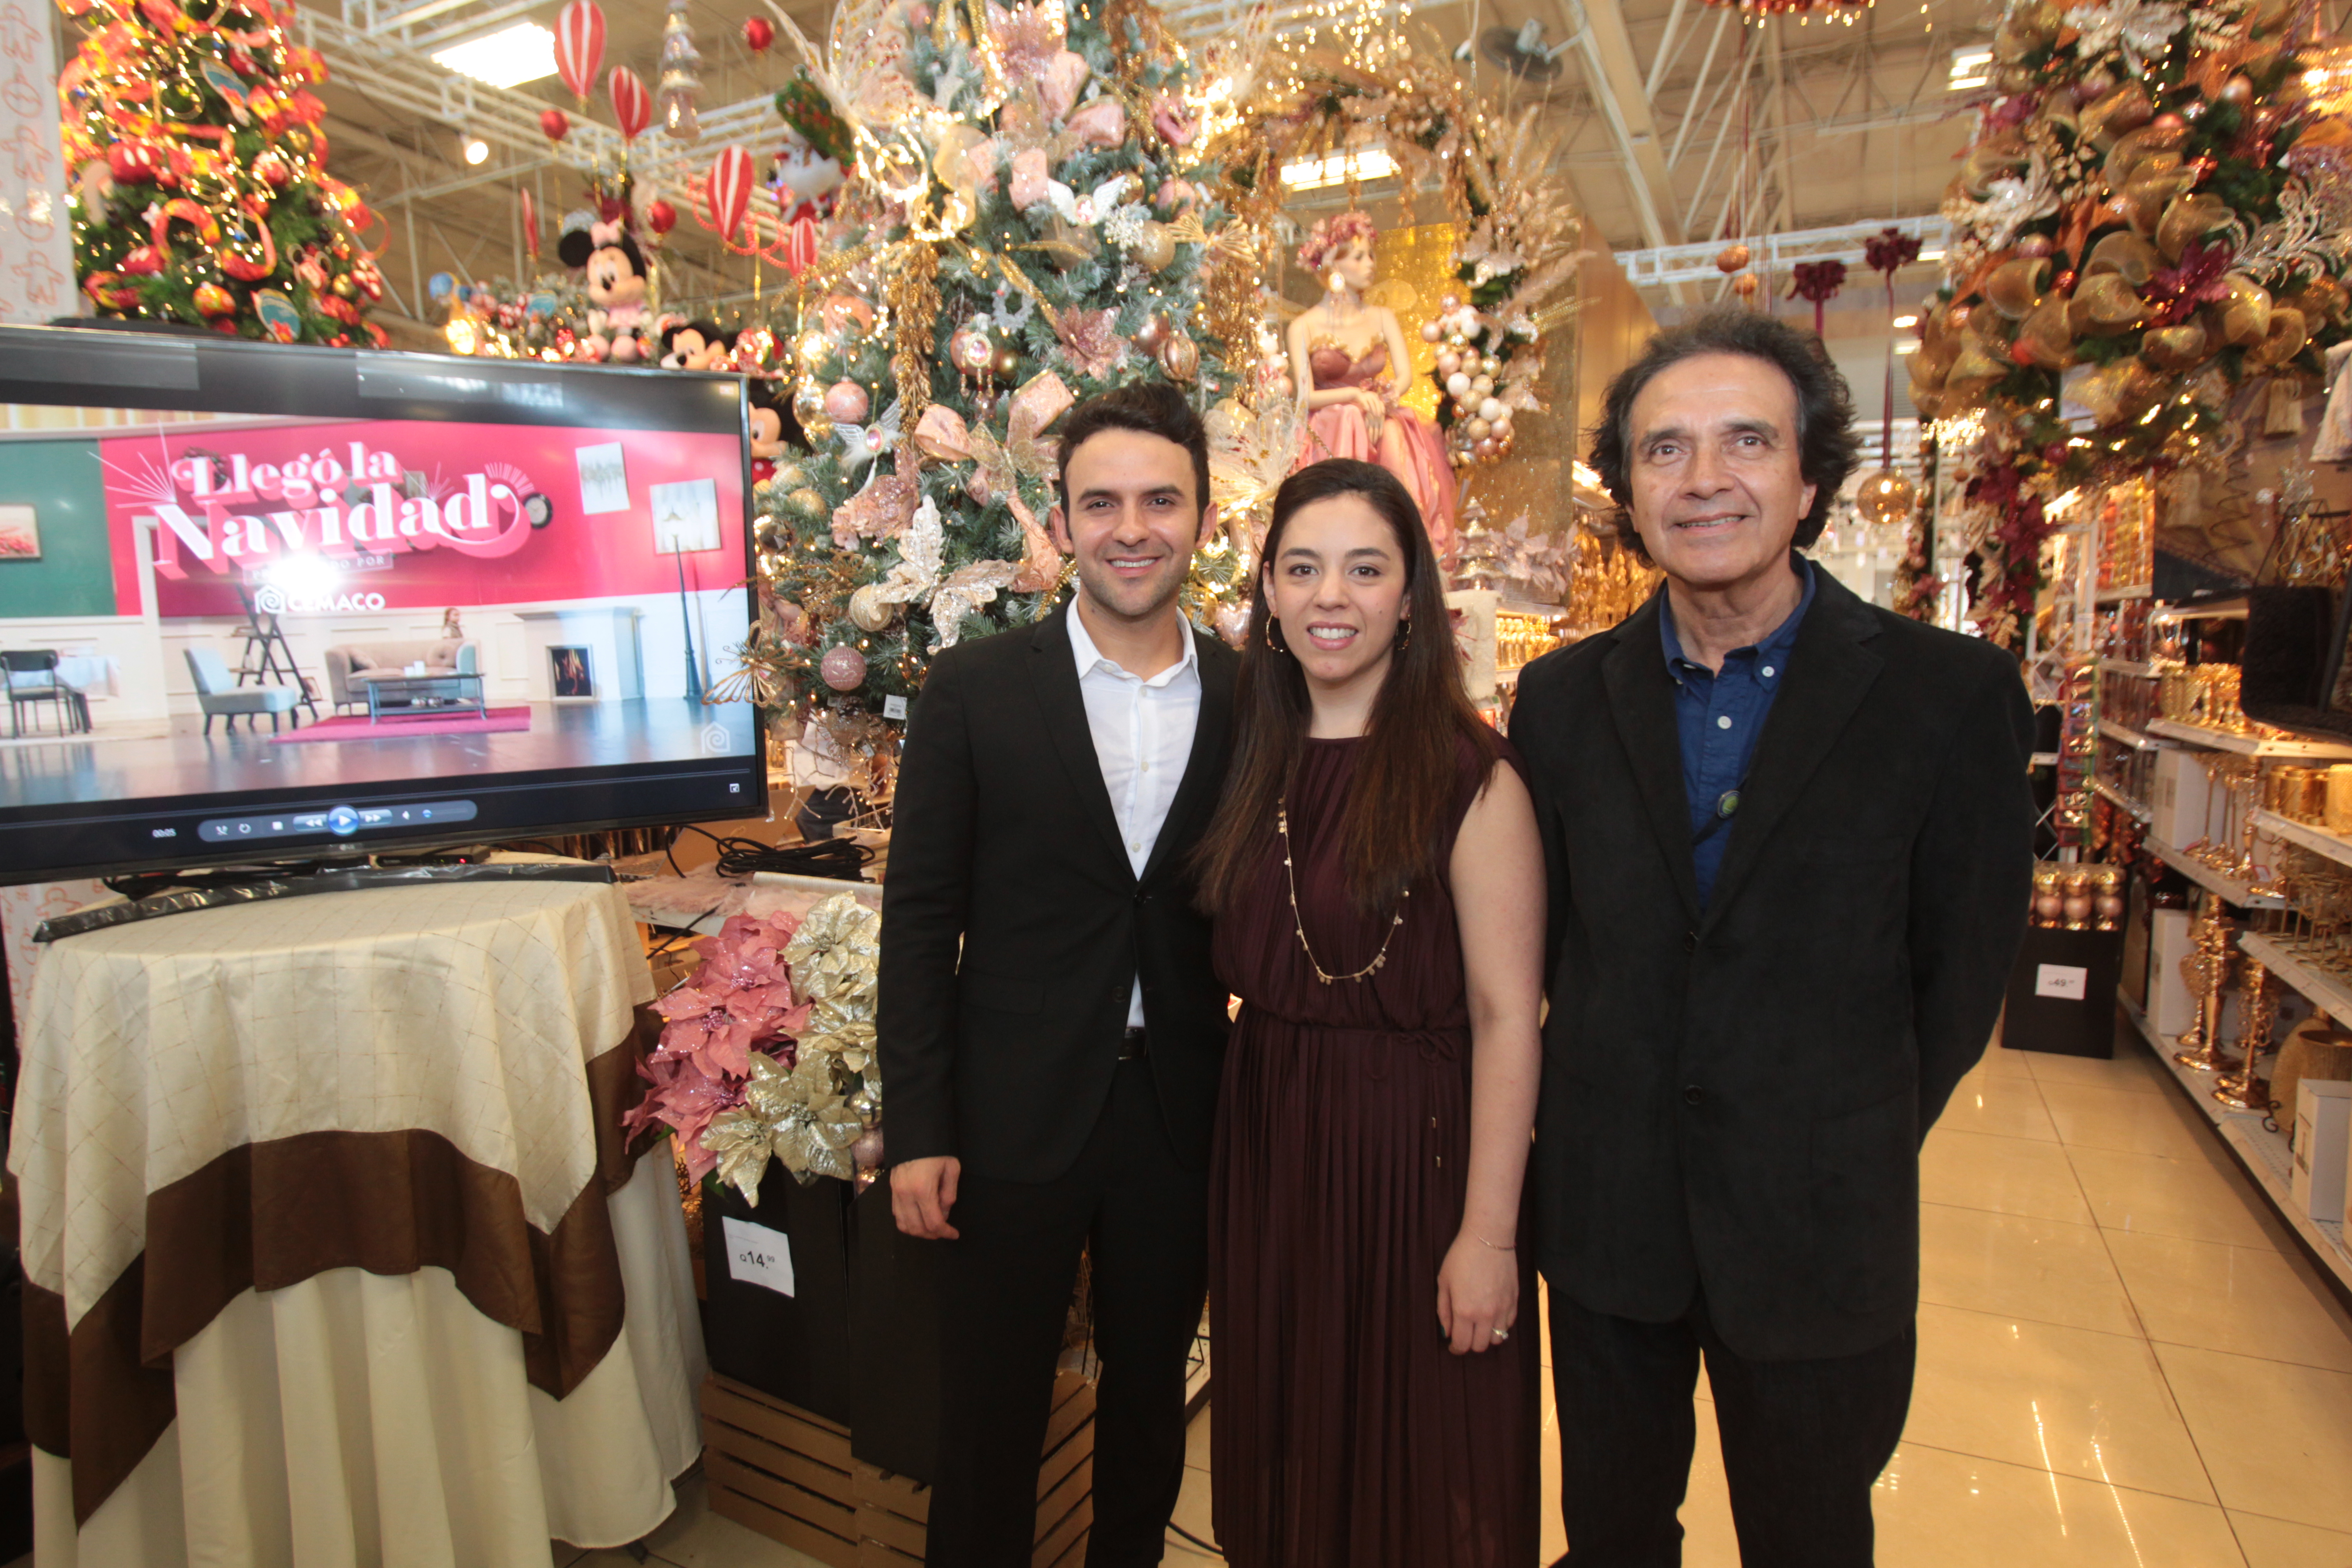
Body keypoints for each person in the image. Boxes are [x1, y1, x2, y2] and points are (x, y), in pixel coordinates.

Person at [1510, 307, 2035, 1567]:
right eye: (1664, 450)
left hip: (1817, 1228)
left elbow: (1956, 977)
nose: (1703, 480)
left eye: (1746, 442)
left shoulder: (1944, 697)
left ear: (1809, 479)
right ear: (1628, 491)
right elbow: (1547, 947)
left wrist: (1833, 1129)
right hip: (1608, 1224)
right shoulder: (1563, 698)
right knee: (1611, 1538)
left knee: (1809, 1538)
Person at [878, 380, 1239, 1568]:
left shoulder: (1250, 696)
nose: (1130, 527)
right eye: (1102, 502)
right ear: (1063, 516)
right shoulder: (975, 691)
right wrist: (922, 1122)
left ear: (1200, 511)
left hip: (1176, 1112)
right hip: (1008, 1114)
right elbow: (921, 923)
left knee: (1147, 1408)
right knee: (988, 1416)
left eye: (1158, 500)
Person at [1194, 457, 1544, 1567]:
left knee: (1417, 1440)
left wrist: (1488, 1236)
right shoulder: (1245, 762)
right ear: (1268, 591)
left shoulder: (1472, 777)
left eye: (1362, 568)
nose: (1328, 597)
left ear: (1410, 597)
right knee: (1288, 1427)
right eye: (1301, 569)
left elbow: (1504, 1016)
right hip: (1271, 1146)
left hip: (1417, 1157)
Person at [1286, 212, 1461, 570]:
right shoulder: (1304, 326)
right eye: (1358, 256)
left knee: (1396, 429)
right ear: (1332, 263)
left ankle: (1403, 550)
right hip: (1329, 427)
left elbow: (1405, 378)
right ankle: (1342, 533)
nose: (1370, 264)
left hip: (1379, 420)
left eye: (1371, 255)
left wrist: (1381, 400)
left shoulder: (1381, 317)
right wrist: (1353, 397)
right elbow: (1305, 399)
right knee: (1349, 416)